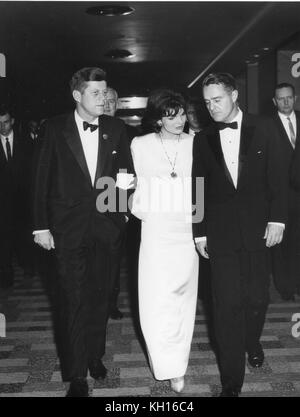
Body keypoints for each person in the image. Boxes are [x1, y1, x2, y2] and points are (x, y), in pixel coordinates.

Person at [32, 67, 134, 397]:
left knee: (101, 296)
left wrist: (120, 214)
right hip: (67, 230)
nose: (103, 99)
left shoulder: (118, 128)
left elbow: (125, 176)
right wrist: (41, 226)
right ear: (77, 96)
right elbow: (40, 180)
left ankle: (94, 355)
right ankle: (77, 374)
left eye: (105, 93)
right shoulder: (54, 128)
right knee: (73, 298)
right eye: (96, 93)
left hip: (106, 228)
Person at [192, 73, 287, 397]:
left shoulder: (265, 128)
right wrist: (199, 233)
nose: (212, 107)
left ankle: (252, 340)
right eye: (206, 102)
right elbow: (198, 189)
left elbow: (279, 179)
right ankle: (231, 382)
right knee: (226, 306)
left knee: (257, 299)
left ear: (234, 95)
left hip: (260, 231)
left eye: (217, 99)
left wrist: (278, 220)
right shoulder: (202, 138)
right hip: (220, 236)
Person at [131, 89, 199, 393]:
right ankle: (164, 363)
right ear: (158, 118)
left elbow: (204, 185)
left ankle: (179, 366)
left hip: (186, 230)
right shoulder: (140, 144)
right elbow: (126, 181)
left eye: (182, 114)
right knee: (156, 300)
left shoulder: (196, 142)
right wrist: (133, 206)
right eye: (171, 115)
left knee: (183, 299)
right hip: (156, 230)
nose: (178, 120)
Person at [103, 86, 140, 320]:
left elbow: (133, 170)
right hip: (89, 203)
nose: (107, 105)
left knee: (115, 257)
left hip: (119, 201)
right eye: (103, 100)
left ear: (118, 104)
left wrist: (125, 208)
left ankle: (110, 303)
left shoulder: (130, 132)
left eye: (112, 101)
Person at [270, 83, 300, 301]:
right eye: (281, 99)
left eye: (289, 97)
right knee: (282, 244)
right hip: (279, 195)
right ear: (274, 102)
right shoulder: (266, 125)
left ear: (295, 98)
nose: (286, 102)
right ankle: (285, 287)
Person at [0, 106, 34, 289]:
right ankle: (6, 275)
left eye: (5, 122)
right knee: (3, 240)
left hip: (23, 200)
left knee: (24, 236)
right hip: (2, 203)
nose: (2, 127)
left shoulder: (26, 142)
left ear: (12, 121)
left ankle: (28, 266)